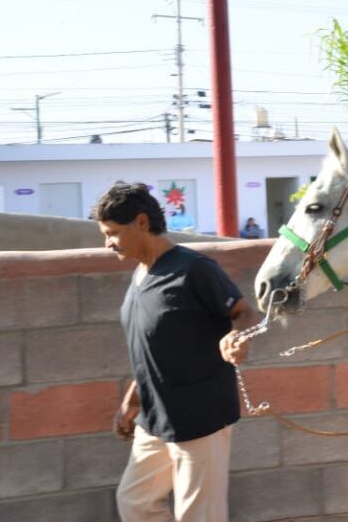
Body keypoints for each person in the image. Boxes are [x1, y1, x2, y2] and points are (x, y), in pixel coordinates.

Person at [93, 182, 258, 522]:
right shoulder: (141, 274)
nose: (108, 243)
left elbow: (245, 312)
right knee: (134, 503)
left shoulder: (193, 269)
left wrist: (237, 337)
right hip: (154, 418)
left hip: (200, 416)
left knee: (198, 516)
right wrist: (133, 399)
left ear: (141, 223)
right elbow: (153, 348)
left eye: (112, 233)